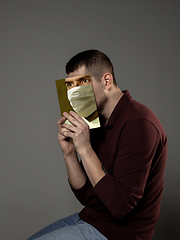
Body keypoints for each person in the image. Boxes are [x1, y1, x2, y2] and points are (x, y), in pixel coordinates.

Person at [27, 50, 167, 240]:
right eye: (71, 89)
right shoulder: (95, 121)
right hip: (91, 219)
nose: (75, 97)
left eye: (81, 87)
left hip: (120, 234)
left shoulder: (140, 124)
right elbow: (88, 197)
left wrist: (85, 149)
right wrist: (69, 153)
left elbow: (119, 206)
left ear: (106, 81)